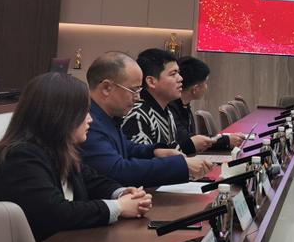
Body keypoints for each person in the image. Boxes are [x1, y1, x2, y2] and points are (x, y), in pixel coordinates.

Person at [0, 73, 152, 242]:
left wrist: (123, 193)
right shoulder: (20, 156)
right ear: (59, 114)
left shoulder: (60, 149)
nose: (90, 119)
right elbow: (56, 213)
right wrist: (119, 207)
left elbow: (93, 181)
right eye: (84, 112)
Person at [81, 52, 212, 186]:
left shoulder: (106, 117)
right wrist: (180, 166)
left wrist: (155, 152)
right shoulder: (87, 122)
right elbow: (118, 171)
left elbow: (127, 148)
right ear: (106, 88)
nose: (138, 97)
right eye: (134, 90)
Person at [169, 56, 244, 155]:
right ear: (195, 89)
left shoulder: (184, 105)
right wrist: (225, 141)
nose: (206, 87)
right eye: (205, 82)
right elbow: (188, 140)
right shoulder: (170, 108)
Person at [122, 48, 184, 149]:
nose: (180, 78)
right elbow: (143, 158)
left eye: (178, 73)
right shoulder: (137, 115)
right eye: (173, 74)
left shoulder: (167, 111)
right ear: (151, 81)